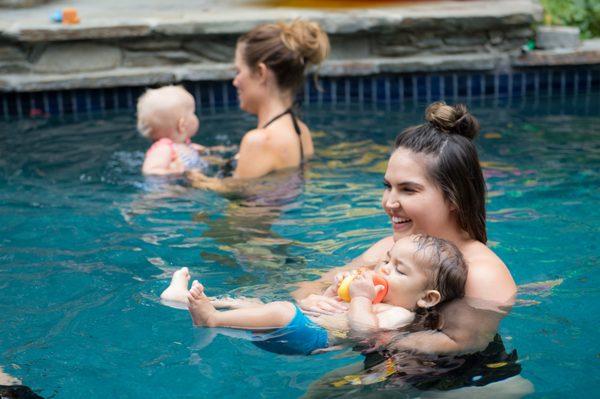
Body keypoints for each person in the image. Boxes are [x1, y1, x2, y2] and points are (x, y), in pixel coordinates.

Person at [293, 101, 517, 355]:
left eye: (408, 189)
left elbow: (463, 344)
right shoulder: (390, 249)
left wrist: (368, 330)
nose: (388, 202)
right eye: (388, 186)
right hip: (390, 367)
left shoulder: (482, 274)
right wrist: (316, 302)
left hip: (466, 381)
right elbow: (311, 286)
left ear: (454, 198)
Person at [162, 234, 468, 356]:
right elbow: (331, 307)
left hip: (310, 339)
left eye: (398, 270)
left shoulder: (400, 313)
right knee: (252, 304)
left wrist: (360, 298)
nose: (384, 270)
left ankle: (209, 317)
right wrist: (335, 291)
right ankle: (180, 298)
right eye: (387, 261)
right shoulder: (379, 298)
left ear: (427, 298)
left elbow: (364, 331)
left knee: (280, 309)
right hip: (298, 325)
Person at [187, 19, 330, 190]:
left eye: (238, 71)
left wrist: (192, 178)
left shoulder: (258, 141)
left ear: (261, 73)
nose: (235, 81)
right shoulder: (301, 132)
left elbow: (243, 203)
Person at [137, 85, 207, 176]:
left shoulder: (183, 144)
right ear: (182, 125)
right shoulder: (163, 149)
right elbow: (150, 170)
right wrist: (176, 172)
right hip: (170, 188)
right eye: (193, 113)